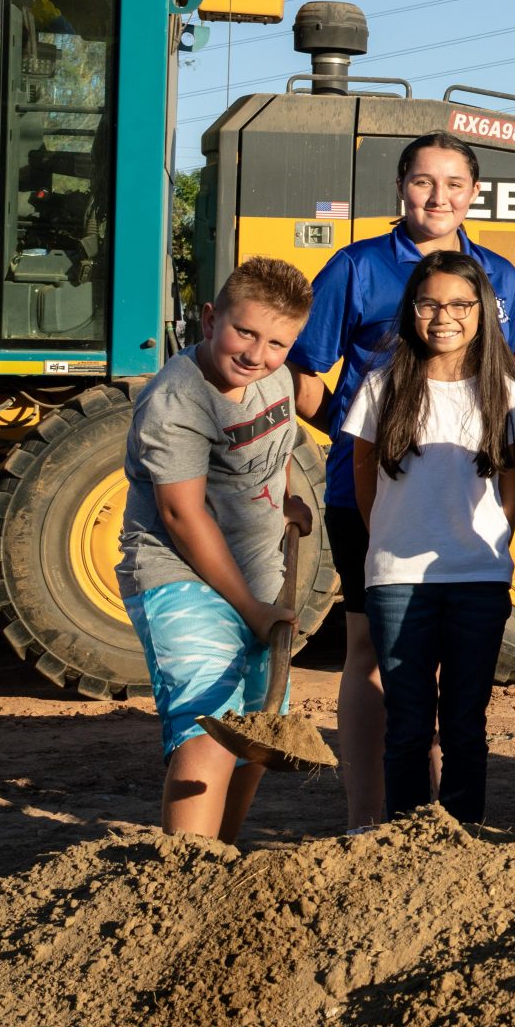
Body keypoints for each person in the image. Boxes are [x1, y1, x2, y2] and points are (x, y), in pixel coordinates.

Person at [292, 132, 515, 830]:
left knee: (458, 708)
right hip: (365, 496)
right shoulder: (356, 266)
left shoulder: (498, 274)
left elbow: (500, 404)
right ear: (400, 186)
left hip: (460, 515)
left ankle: (447, 825)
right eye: (424, 181)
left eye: (454, 183)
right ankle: (373, 818)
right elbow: (305, 378)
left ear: (474, 193)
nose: (438, 196)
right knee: (371, 660)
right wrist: (380, 432)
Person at [118, 258, 315, 839]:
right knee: (210, 725)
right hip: (180, 575)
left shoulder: (275, 380)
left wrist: (284, 503)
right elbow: (182, 514)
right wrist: (251, 610)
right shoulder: (176, 400)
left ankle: (218, 862)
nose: (257, 354)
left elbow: (272, 453)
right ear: (209, 320)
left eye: (277, 342)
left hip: (255, 573)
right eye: (244, 333)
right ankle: (185, 875)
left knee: (259, 728)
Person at [339, 251, 515, 825]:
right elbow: (363, 469)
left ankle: (463, 837)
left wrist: (498, 535)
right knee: (407, 723)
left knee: (466, 723)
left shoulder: (505, 391)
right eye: (429, 303)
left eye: (460, 304)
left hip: (478, 578)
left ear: (483, 312)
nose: (443, 315)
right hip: (397, 583)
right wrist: (386, 539)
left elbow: (514, 474)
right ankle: (406, 839)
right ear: (411, 310)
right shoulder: (384, 384)